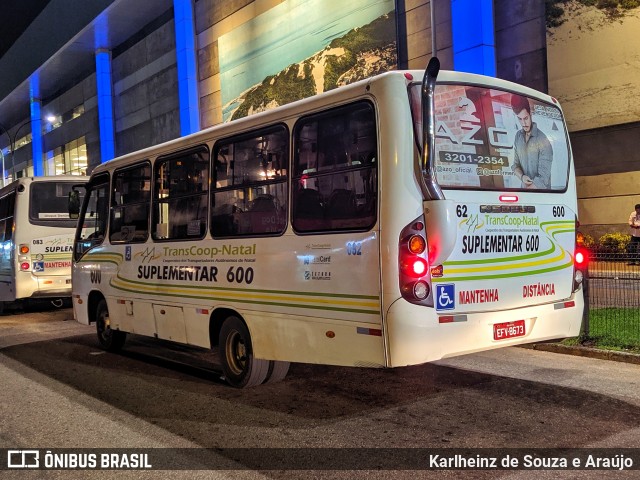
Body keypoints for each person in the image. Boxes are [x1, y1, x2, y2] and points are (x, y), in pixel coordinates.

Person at [510, 94, 553, 189]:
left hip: (541, 198)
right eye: (519, 119)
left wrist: (524, 195)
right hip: (524, 197)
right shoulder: (518, 137)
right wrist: (522, 177)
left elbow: (543, 179)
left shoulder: (543, 140)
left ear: (531, 114)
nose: (523, 123)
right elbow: (515, 165)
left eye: (525, 118)